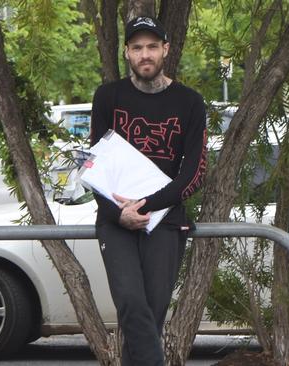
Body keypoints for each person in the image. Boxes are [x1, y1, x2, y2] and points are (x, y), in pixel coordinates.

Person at [89, 15, 207, 366]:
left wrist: (147, 206)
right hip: (115, 217)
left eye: (152, 46)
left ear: (165, 50)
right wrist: (120, 213)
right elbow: (95, 166)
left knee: (149, 317)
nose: (145, 54)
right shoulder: (108, 96)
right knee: (131, 303)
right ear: (126, 52)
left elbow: (194, 173)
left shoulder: (189, 102)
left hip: (166, 219)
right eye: (137, 47)